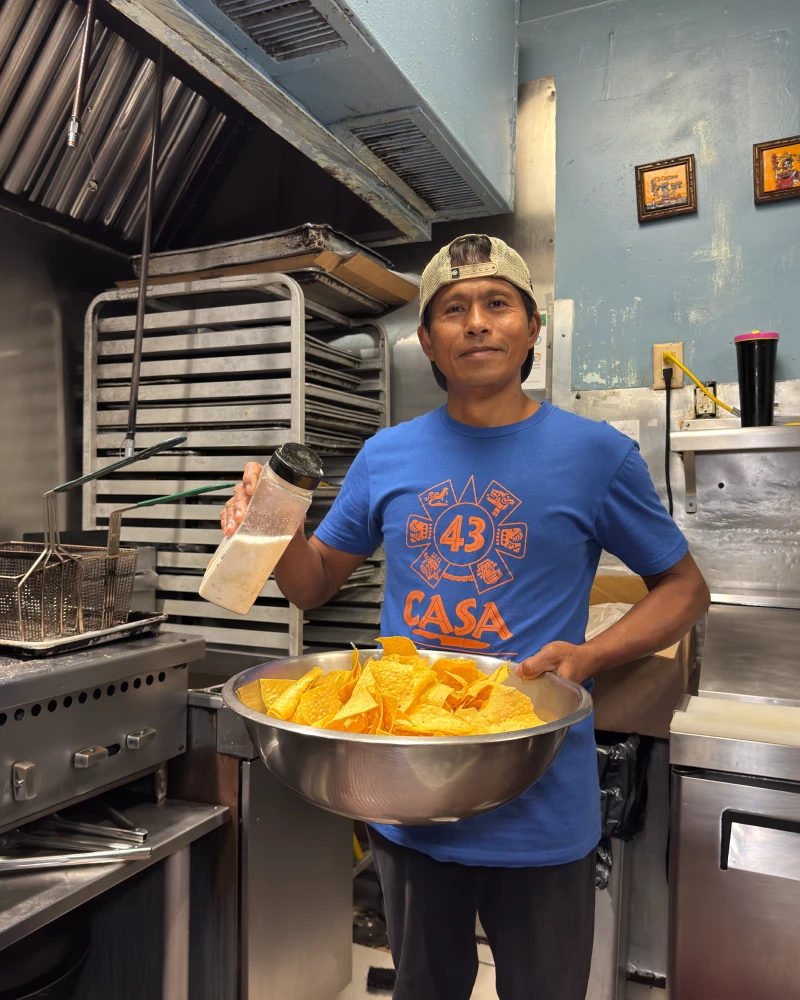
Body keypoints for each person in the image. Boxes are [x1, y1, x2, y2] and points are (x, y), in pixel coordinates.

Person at [221, 234, 710, 1000]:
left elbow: (683, 590)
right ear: (426, 341)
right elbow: (311, 585)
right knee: (426, 987)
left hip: (541, 804)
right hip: (409, 799)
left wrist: (586, 658)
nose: (477, 322)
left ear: (532, 329)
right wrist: (272, 525)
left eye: (497, 304)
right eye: (453, 309)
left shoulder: (595, 456)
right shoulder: (386, 456)